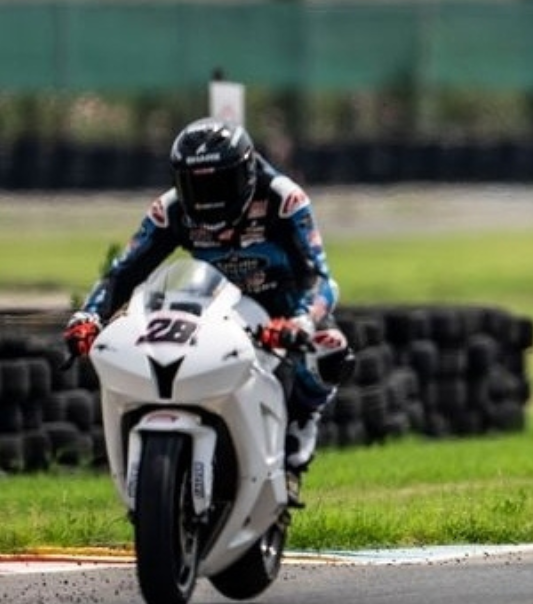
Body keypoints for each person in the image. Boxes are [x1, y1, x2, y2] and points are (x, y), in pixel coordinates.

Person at [63, 117, 350, 507]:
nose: (207, 197)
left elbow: (321, 279)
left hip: (281, 310)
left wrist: (300, 321)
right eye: (195, 185)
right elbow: (123, 273)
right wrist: (89, 316)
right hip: (214, 307)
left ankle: (297, 436)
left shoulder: (284, 199)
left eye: (219, 183)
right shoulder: (170, 209)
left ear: (247, 171)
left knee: (331, 348)